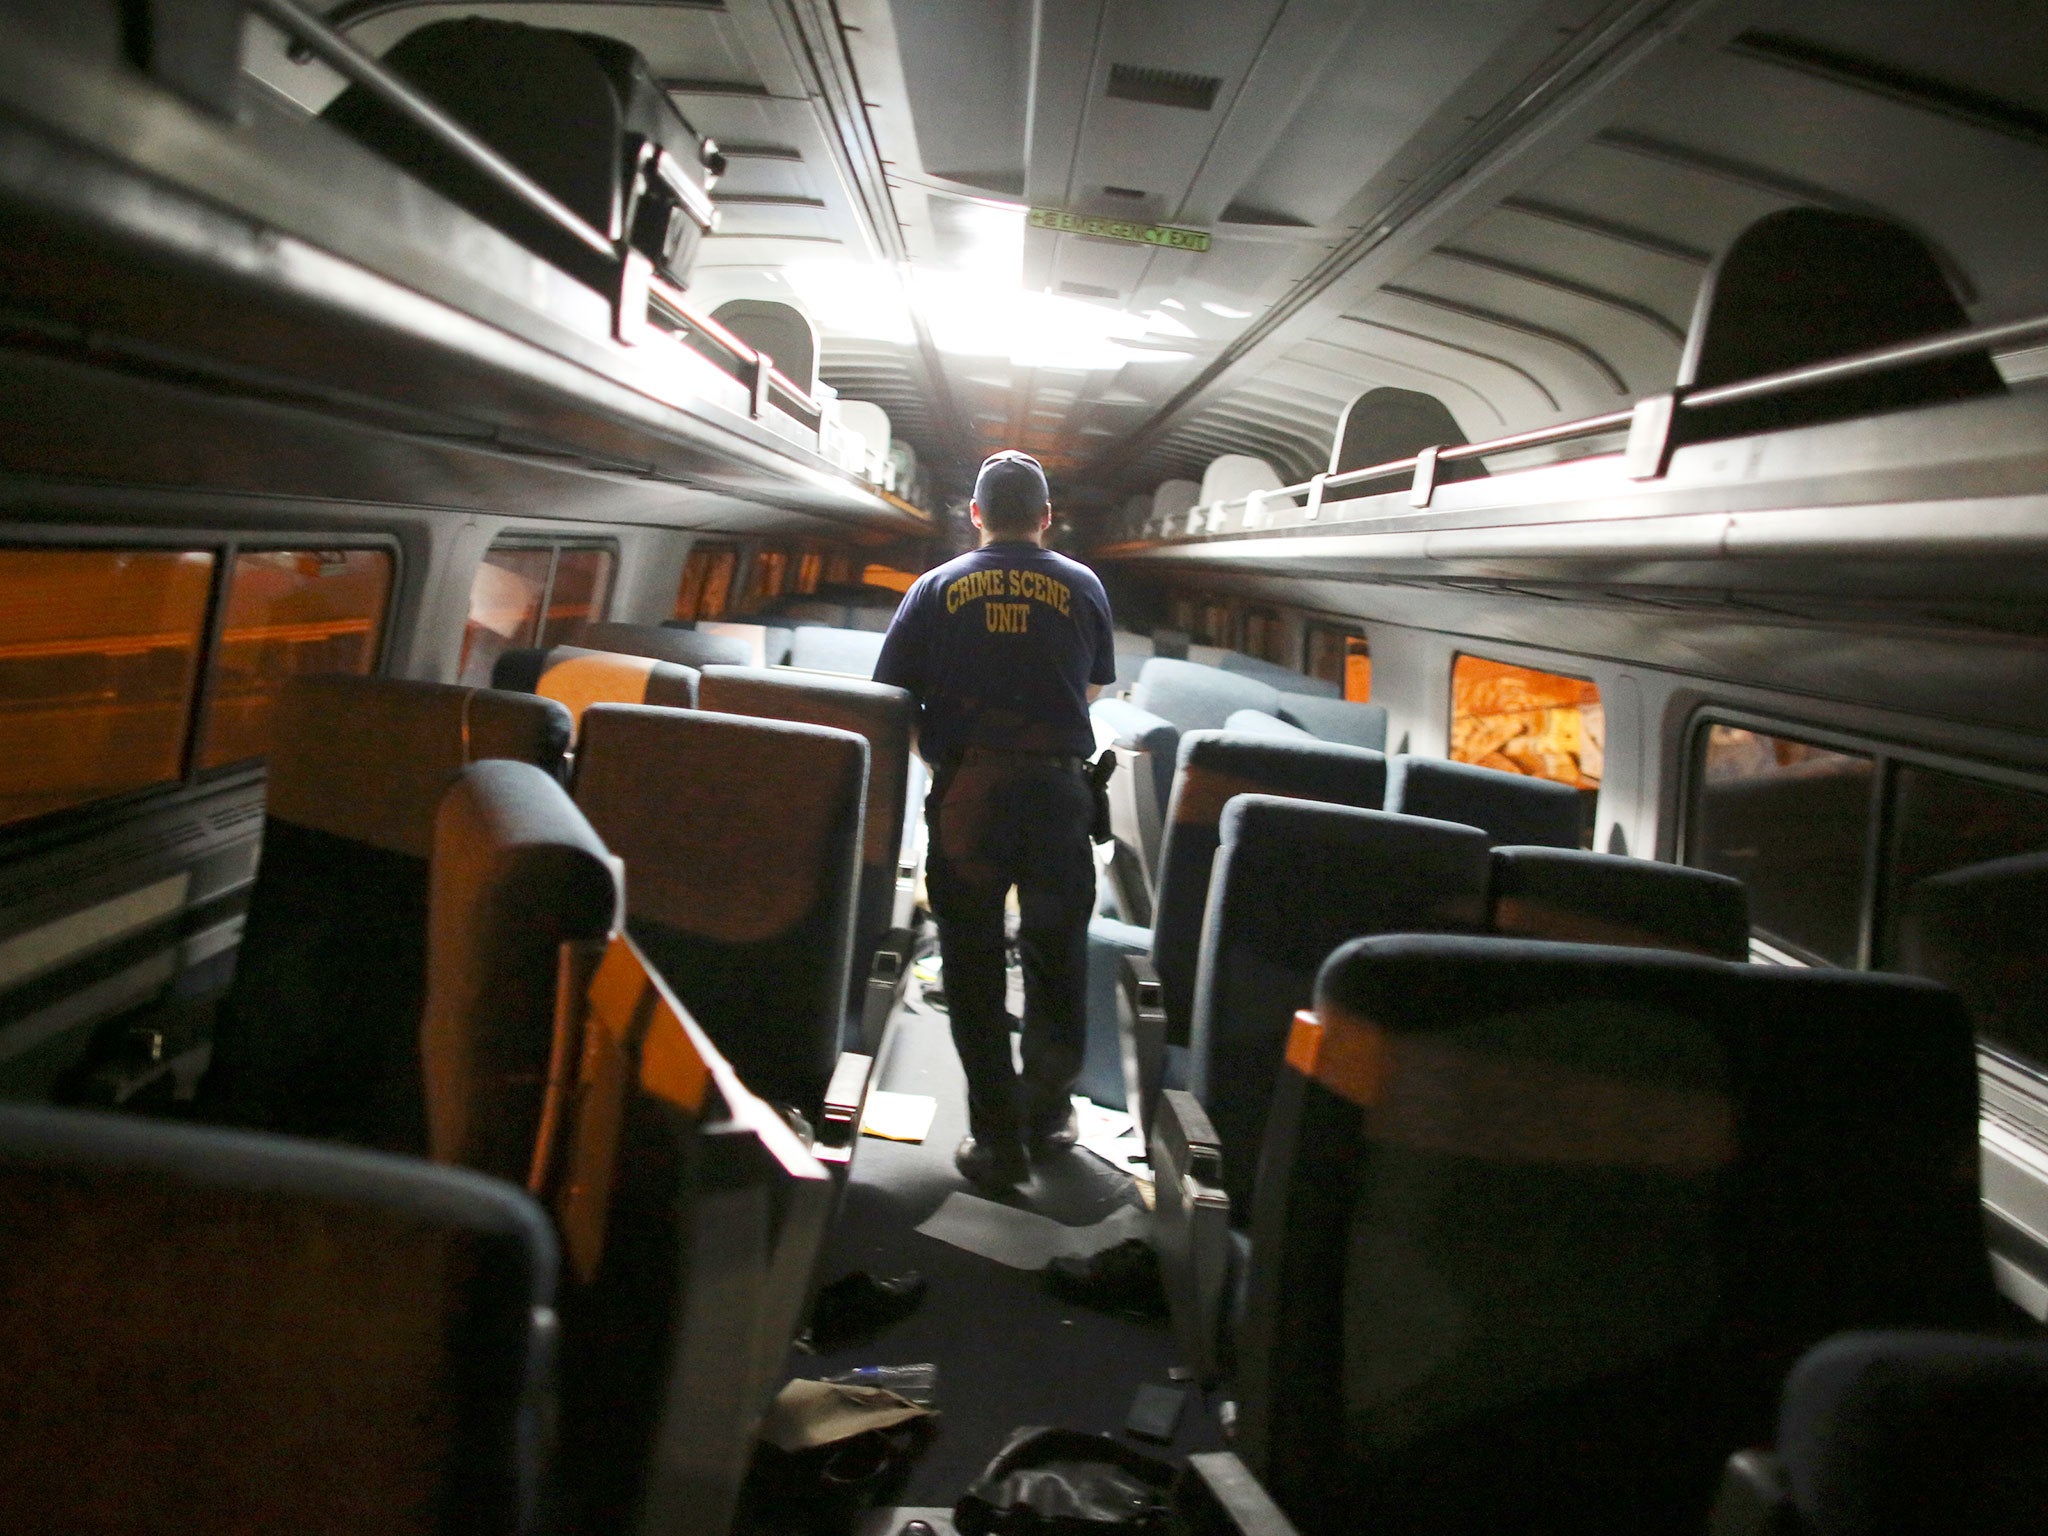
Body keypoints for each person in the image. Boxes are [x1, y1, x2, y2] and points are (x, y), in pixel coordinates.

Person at [874, 451, 1116, 1188]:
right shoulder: (1083, 585)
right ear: (1046, 517)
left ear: (974, 515)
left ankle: (995, 1141)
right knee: (1056, 959)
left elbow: (889, 701)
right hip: (1056, 795)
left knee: (973, 966)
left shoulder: (934, 586)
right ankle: (1048, 1120)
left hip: (969, 795)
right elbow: (1096, 688)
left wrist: (947, 761)